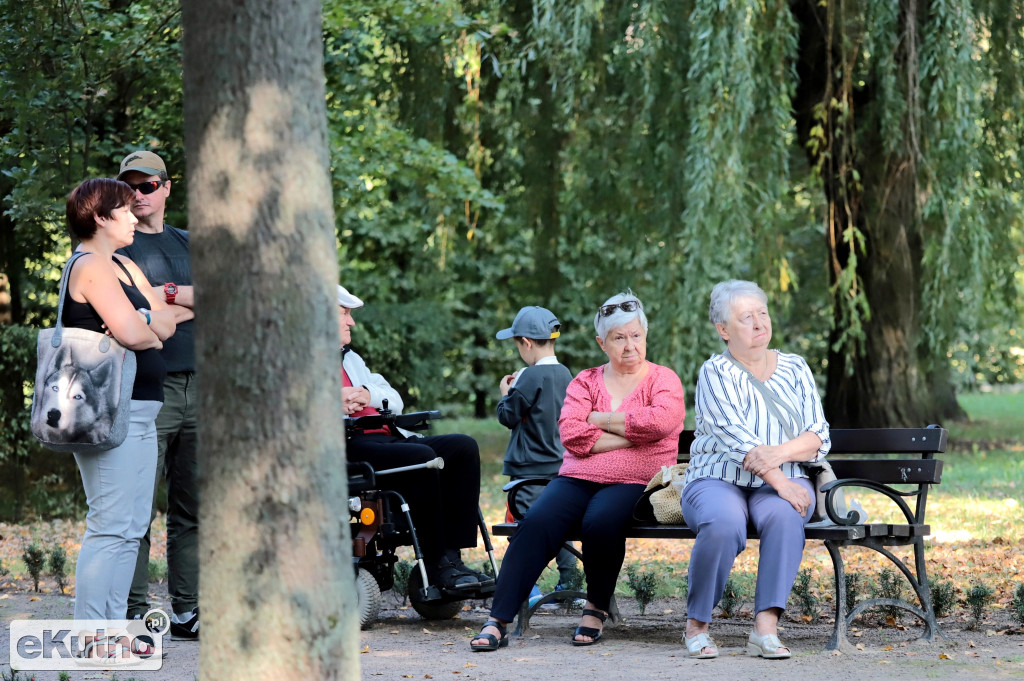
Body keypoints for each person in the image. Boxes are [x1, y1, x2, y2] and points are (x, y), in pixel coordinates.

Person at [471, 291, 686, 651]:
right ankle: (498, 619)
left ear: (645, 337)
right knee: (537, 521)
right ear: (602, 343)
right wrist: (635, 437)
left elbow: (661, 422)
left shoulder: (662, 380)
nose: (629, 345)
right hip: (576, 477)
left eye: (636, 336)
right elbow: (571, 433)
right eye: (619, 338)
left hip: (634, 481)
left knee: (600, 521)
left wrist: (600, 420)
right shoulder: (585, 380)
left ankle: (595, 608)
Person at [680, 279, 831, 660]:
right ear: (724, 330)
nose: (759, 323)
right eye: (746, 317)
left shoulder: (796, 367)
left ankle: (765, 630)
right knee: (723, 521)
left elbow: (819, 434)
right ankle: (697, 626)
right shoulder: (715, 372)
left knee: (786, 514)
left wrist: (778, 456)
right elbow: (738, 441)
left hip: (782, 480)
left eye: (762, 313)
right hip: (717, 477)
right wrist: (779, 477)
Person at [63, 178, 180, 655]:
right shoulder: (90, 265)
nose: (136, 217)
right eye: (126, 211)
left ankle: (112, 633)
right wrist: (149, 325)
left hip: (142, 412)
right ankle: (91, 640)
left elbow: (160, 322)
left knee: (131, 526)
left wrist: (148, 325)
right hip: (111, 413)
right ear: (100, 218)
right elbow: (136, 332)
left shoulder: (126, 266)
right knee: (110, 524)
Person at [338, 285, 492, 589]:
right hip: (350, 447)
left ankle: (452, 558)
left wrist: (367, 394)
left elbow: (393, 397)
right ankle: (436, 562)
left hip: (388, 439)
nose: (351, 322)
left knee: (463, 448)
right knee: (422, 459)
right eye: (344, 314)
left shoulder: (351, 360)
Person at [115, 150, 201, 640]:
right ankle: (135, 612)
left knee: (193, 508)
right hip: (149, 388)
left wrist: (162, 295)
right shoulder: (118, 246)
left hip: (201, 386)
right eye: (130, 188)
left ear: (167, 188)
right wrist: (185, 299)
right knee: (138, 508)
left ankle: (188, 611)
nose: (139, 196)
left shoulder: (191, 242)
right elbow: (131, 312)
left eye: (148, 186)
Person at [495, 306, 577, 605]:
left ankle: (526, 587)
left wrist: (506, 392)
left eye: (517, 344)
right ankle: (571, 582)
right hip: (560, 464)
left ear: (527, 342)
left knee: (524, 525)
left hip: (528, 468)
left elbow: (508, 416)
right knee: (560, 524)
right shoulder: (565, 373)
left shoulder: (529, 376)